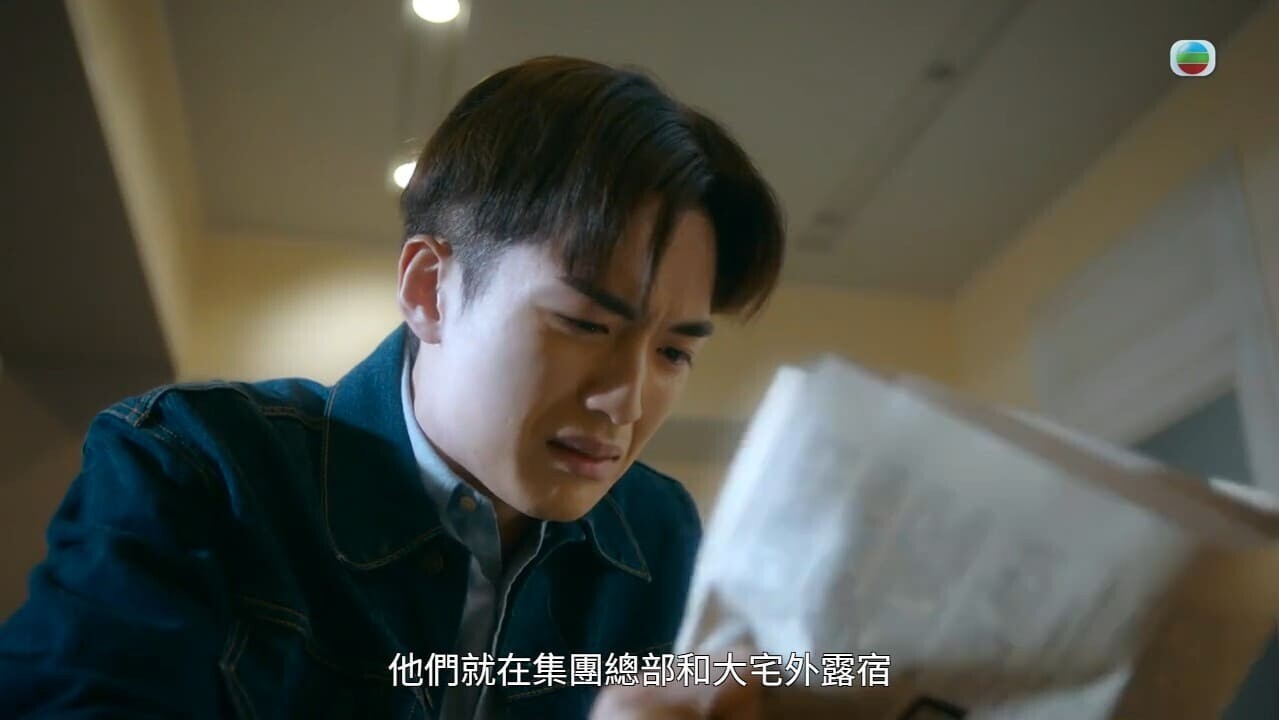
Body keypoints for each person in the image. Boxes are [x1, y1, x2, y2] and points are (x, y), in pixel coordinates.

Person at [0, 56, 784, 718]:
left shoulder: (658, 536)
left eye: (673, 352)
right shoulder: (196, 469)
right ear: (428, 289)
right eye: (585, 324)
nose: (626, 400)